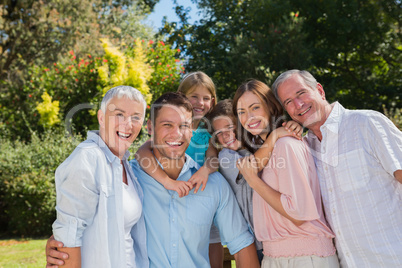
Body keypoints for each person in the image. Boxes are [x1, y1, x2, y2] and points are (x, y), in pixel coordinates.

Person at [46, 92, 260, 268]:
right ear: (149, 128)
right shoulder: (129, 180)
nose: (177, 134)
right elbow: (80, 220)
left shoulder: (214, 185)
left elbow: (242, 245)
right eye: (167, 125)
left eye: (184, 126)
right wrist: (58, 245)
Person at [271, 69, 402, 268]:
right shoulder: (305, 150)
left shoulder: (366, 124)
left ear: (320, 91)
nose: (298, 105)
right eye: (288, 102)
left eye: (301, 93)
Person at [234, 80, 339, 268]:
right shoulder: (269, 148)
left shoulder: (286, 145)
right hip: (277, 256)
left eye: (255, 107)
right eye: (241, 112)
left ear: (270, 106)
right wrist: (274, 137)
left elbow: (298, 213)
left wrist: (253, 181)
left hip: (306, 258)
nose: (248, 117)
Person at [50, 86, 148, 267]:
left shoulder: (126, 164)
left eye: (136, 117)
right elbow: (69, 237)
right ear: (101, 118)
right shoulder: (87, 158)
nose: (128, 123)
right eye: (119, 114)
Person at [135, 71, 224, 267]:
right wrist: (167, 181)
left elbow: (213, 159)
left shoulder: (205, 133)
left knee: (212, 235)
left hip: (200, 190)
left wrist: (204, 171)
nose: (200, 102)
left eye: (206, 98)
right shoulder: (168, 130)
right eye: (194, 96)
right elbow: (142, 153)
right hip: (172, 188)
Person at [207, 99, 303, 264]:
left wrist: (292, 127)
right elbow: (251, 166)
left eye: (230, 128)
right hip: (256, 241)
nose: (226, 136)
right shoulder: (225, 157)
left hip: (283, 234)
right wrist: (275, 136)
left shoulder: (260, 144)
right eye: (219, 133)